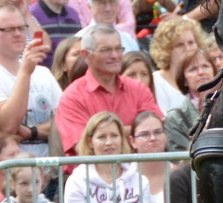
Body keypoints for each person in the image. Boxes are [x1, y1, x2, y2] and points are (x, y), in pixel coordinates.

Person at [55, 23, 161, 153]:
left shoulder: (138, 89)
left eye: (118, 49)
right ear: (86, 55)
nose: (115, 56)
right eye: (106, 50)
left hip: (135, 171)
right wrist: (134, 132)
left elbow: (155, 134)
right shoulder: (72, 96)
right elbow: (83, 148)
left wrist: (101, 134)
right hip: (91, 172)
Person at [163, 47, 217, 150]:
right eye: (193, 69)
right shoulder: (175, 118)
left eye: (205, 66)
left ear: (214, 72)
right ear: (184, 80)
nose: (201, 72)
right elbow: (182, 159)